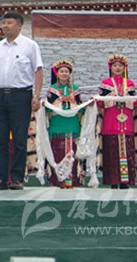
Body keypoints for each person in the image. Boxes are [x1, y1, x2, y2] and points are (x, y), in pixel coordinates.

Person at [0, 11, 43, 191]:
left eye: (9, 22)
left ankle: (17, 178)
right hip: (0, 95)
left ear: (19, 25)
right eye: (3, 23)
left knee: (19, 139)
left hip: (21, 95)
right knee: (0, 139)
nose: (5, 26)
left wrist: (36, 95)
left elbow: (38, 70)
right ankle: (1, 178)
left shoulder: (30, 46)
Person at [98, 54, 137, 189]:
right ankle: (113, 180)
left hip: (126, 121)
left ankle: (125, 181)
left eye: (120, 66)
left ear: (125, 68)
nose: (117, 68)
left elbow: (134, 103)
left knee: (127, 151)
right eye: (115, 65)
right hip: (110, 121)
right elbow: (100, 103)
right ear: (110, 68)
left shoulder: (130, 83)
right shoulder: (106, 83)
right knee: (111, 152)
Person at [44, 59, 83, 188]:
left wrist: (88, 105)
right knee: (58, 151)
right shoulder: (52, 89)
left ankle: (71, 180)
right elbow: (48, 107)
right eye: (62, 71)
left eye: (66, 71)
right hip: (57, 123)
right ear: (57, 73)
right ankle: (58, 180)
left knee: (72, 151)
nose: (64, 73)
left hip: (72, 123)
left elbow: (80, 105)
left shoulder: (75, 88)